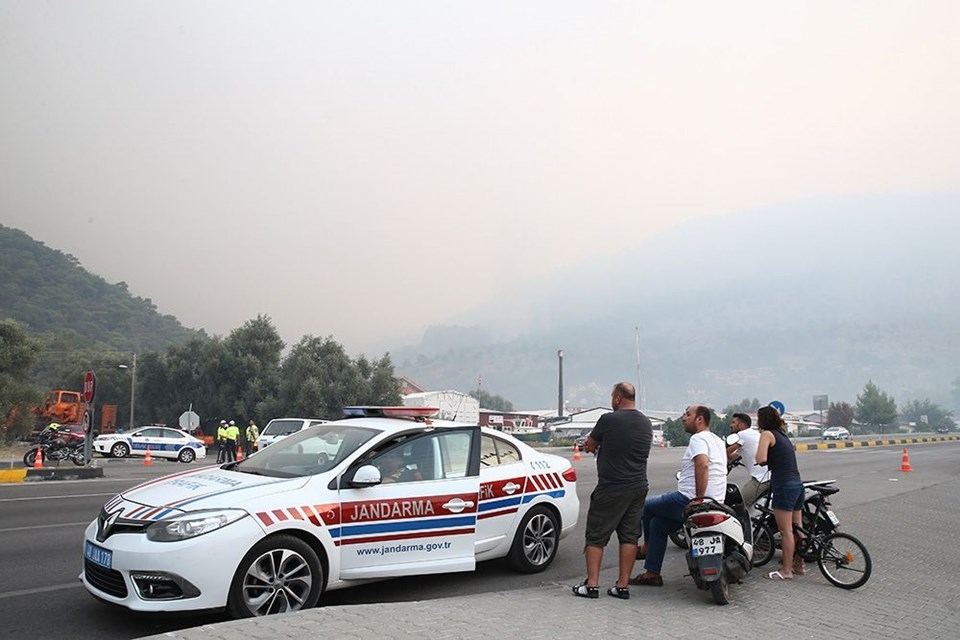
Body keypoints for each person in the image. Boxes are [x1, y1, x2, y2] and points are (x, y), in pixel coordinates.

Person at [572, 382, 653, 600]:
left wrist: (596, 446)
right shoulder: (646, 423)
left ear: (617, 398)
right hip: (638, 487)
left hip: (611, 487)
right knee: (629, 536)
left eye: (612, 396)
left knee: (596, 535)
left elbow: (589, 444)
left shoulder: (609, 419)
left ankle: (592, 585)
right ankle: (622, 586)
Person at [630, 404, 726, 587]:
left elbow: (703, 465)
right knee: (658, 525)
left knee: (643, 506)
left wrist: (698, 499)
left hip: (688, 501)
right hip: (717, 503)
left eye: (688, 414)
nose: (683, 418)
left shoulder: (698, 438)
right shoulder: (718, 441)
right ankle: (652, 574)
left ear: (700, 419)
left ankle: (645, 548)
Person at [756, 405, 804, 580]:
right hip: (798, 484)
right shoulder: (783, 435)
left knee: (785, 531)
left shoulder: (767, 434)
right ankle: (799, 564)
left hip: (783, 485)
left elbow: (760, 458)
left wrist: (765, 461)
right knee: (798, 528)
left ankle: (786, 570)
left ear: (762, 421)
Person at [727, 412, 770, 508]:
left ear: (741, 425)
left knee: (741, 504)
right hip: (768, 475)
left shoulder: (742, 435)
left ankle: (744, 522)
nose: (731, 425)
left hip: (762, 479)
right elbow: (737, 455)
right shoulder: (753, 433)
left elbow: (726, 451)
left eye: (733, 422)